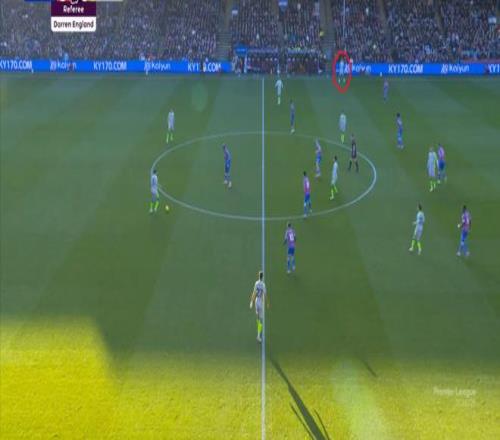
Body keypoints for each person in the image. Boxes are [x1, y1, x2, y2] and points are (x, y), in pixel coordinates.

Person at [249, 271, 267, 343]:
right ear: (263, 277)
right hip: (260, 302)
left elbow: (254, 293)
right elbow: (265, 295)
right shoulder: (263, 285)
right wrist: (267, 302)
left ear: (258, 276)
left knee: (258, 318)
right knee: (261, 320)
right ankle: (258, 336)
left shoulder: (256, 283)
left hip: (256, 301)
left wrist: (251, 302)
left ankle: (258, 326)